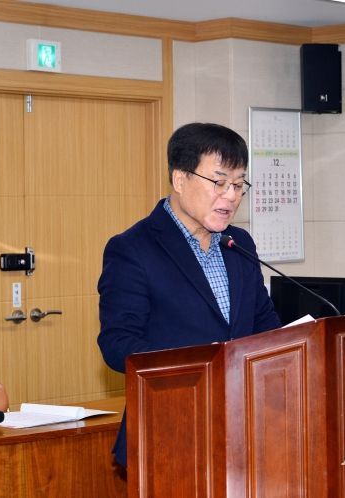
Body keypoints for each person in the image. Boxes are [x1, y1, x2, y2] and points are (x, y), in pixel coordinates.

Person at [97, 122, 282, 468]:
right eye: (219, 182)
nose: (231, 196)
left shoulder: (239, 243)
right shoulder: (133, 249)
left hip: (246, 430)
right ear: (180, 179)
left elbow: (263, 322)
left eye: (238, 185)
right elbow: (117, 343)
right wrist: (196, 366)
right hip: (170, 432)